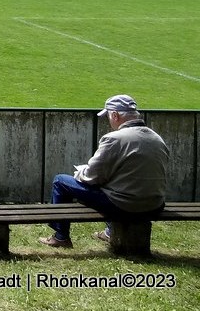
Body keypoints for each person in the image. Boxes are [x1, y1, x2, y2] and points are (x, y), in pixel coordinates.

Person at [39, 95, 168, 249]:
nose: (108, 120)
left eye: (108, 116)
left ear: (115, 115)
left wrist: (79, 172)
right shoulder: (157, 138)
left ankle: (61, 237)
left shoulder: (114, 139)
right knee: (113, 187)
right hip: (155, 205)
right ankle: (109, 231)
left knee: (60, 181)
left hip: (126, 206)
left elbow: (91, 177)